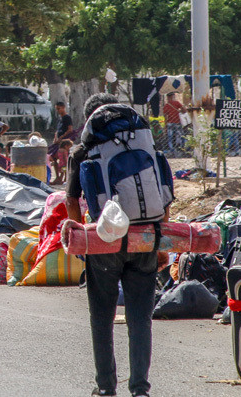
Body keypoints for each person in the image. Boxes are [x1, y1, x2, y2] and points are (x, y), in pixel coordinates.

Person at [65, 93, 166, 397]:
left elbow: (71, 200)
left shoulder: (82, 150)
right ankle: (140, 389)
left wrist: (84, 240)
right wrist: (158, 242)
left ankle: (106, 387)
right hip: (146, 237)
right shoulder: (144, 144)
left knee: (102, 317)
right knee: (139, 318)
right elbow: (162, 194)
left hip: (105, 239)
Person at [49, 101, 77, 185]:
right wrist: (55, 138)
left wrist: (61, 138)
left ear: (63, 107)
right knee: (53, 157)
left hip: (64, 143)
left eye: (59, 109)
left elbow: (70, 129)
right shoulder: (60, 118)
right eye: (56, 109)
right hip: (58, 142)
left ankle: (62, 177)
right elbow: (58, 130)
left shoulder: (67, 117)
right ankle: (58, 176)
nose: (57, 110)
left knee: (63, 160)